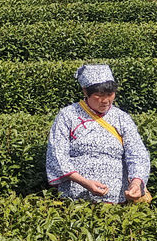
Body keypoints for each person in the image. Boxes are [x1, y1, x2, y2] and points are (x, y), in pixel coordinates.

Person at [46, 64, 150, 204]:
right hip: (76, 198)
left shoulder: (122, 118)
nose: (105, 100)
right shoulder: (67, 115)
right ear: (85, 92)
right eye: (99, 95)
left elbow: (137, 153)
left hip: (117, 198)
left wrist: (136, 183)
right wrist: (84, 182)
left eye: (109, 95)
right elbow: (57, 154)